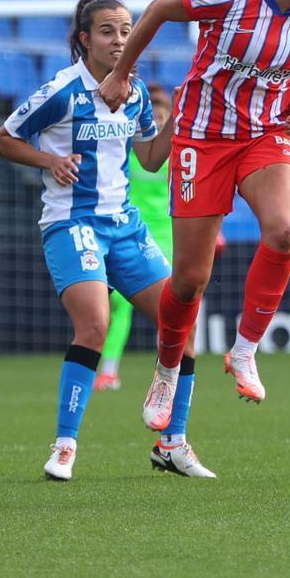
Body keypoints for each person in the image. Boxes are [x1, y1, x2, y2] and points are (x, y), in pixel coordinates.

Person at [98, 0, 290, 430]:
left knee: (284, 229)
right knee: (190, 279)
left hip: (263, 135)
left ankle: (244, 349)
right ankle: (167, 370)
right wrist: (123, 72)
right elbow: (159, 9)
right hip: (202, 139)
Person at [0, 0, 215, 480]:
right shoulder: (60, 91)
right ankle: (65, 445)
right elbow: (2, 139)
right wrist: (49, 161)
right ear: (83, 39)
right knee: (94, 324)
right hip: (72, 224)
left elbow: (151, 159)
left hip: (126, 226)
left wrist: (184, 113)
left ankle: (173, 442)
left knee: (183, 324)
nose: (120, 40)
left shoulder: (133, 94)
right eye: (109, 31)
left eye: (126, 31)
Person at [95, 83, 173, 393]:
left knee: (169, 307)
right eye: (154, 114)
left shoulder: (176, 152)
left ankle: (167, 371)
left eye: (164, 114)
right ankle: (109, 370)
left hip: (168, 234)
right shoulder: (131, 147)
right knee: (119, 303)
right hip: (131, 230)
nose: (159, 119)